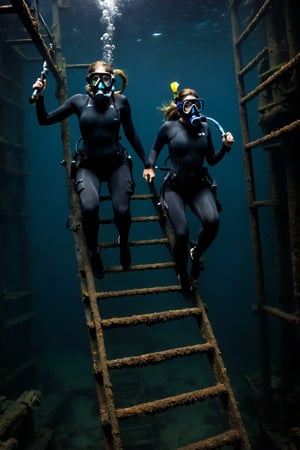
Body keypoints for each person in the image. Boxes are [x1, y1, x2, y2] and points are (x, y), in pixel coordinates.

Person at [32, 60, 148, 279]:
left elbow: (131, 134)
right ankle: (95, 251)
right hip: (89, 166)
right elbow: (44, 119)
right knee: (90, 208)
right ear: (89, 82)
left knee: (122, 211)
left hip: (117, 164)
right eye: (96, 79)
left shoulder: (121, 102)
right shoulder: (78, 101)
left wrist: (147, 163)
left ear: (112, 81)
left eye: (106, 79)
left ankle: (123, 241)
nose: (101, 84)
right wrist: (40, 95)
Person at [143, 83, 234, 296]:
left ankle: (196, 252)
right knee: (182, 233)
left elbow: (211, 160)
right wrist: (149, 166)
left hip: (198, 187)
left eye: (196, 104)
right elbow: (155, 148)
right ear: (179, 106)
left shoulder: (206, 127)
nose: (193, 109)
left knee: (212, 222)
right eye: (187, 105)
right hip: (174, 187)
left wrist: (225, 148)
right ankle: (182, 273)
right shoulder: (169, 127)